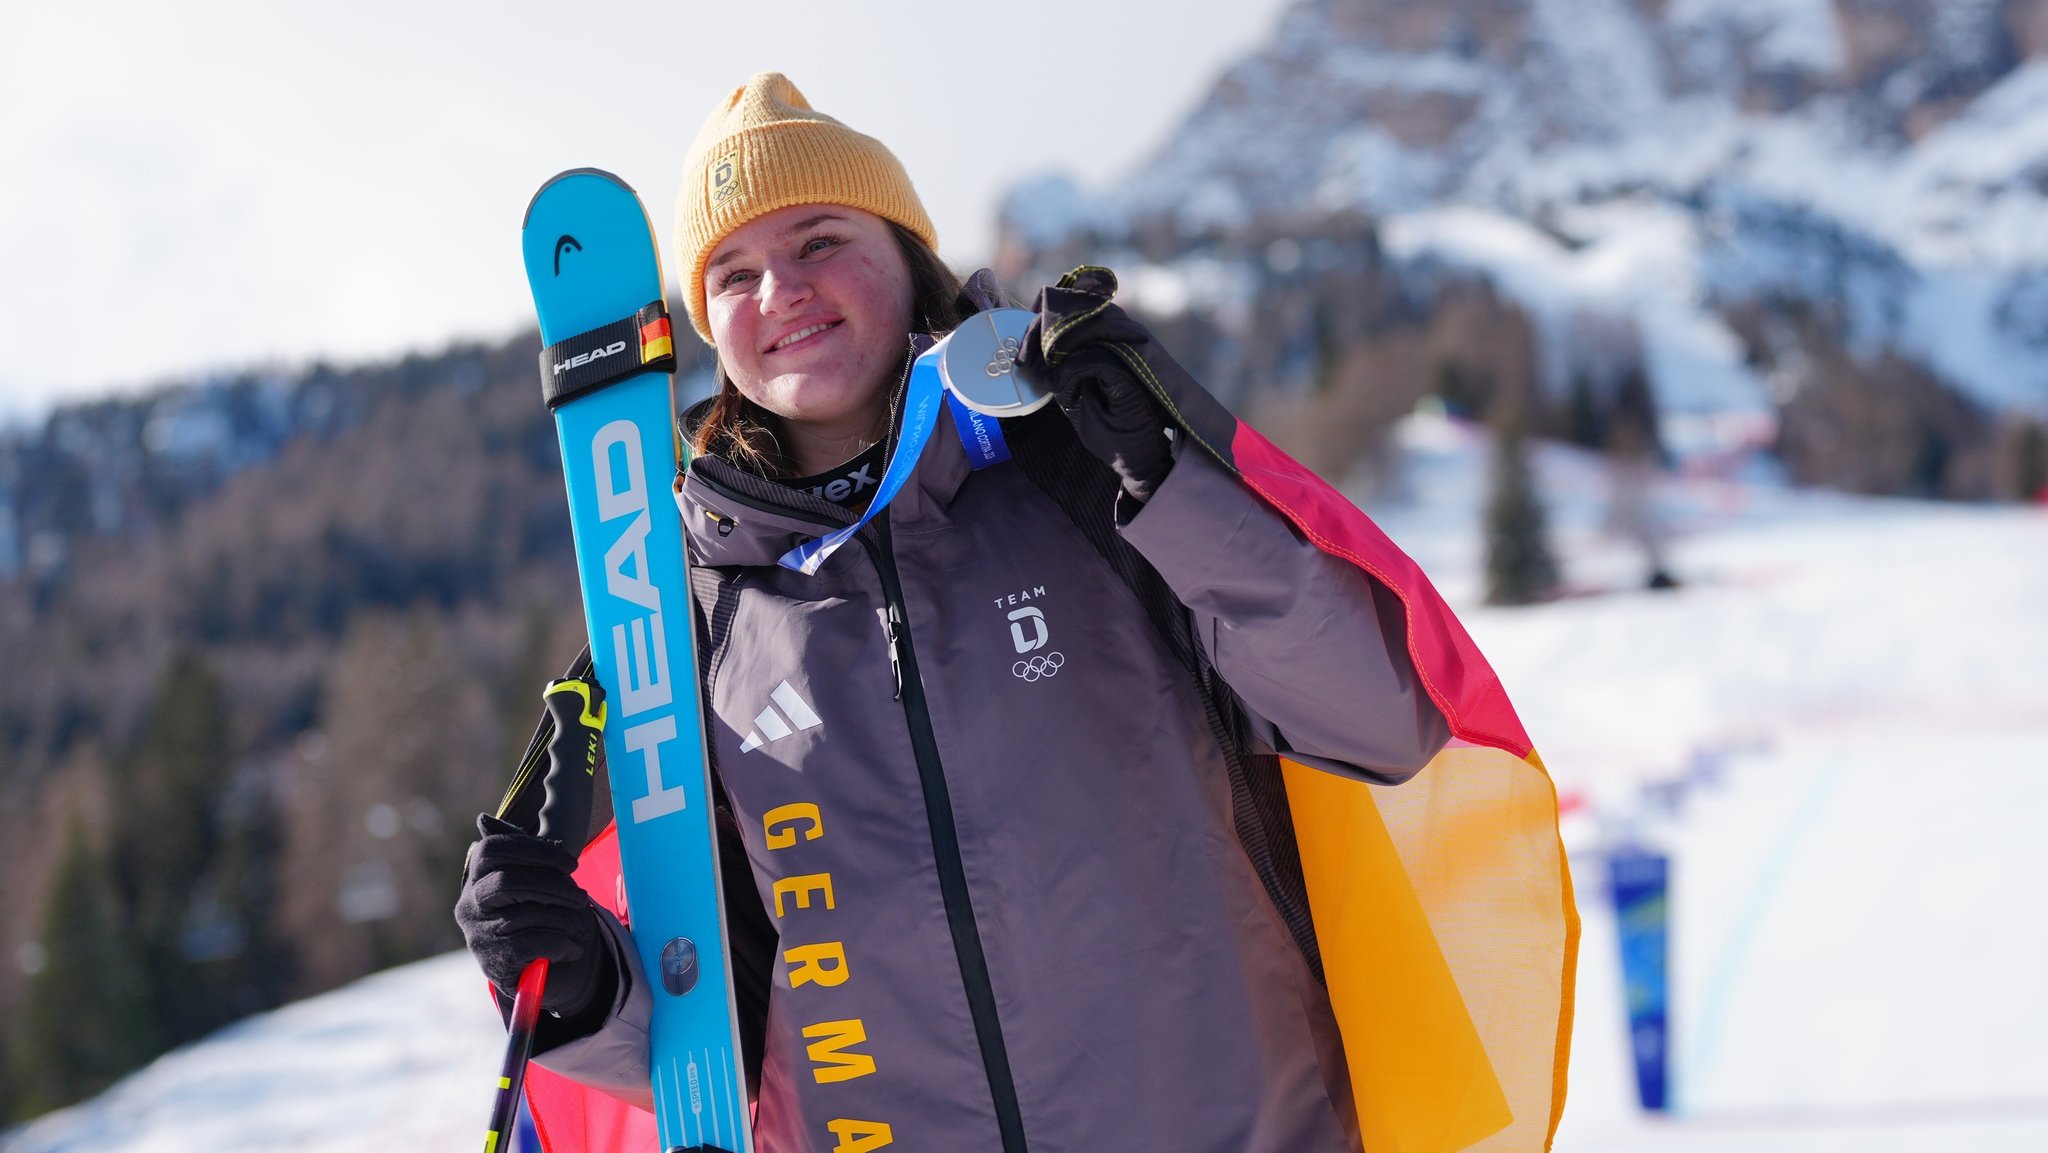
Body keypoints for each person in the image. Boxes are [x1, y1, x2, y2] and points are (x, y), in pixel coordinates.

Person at [458, 73, 1573, 1153]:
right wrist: (583, 989)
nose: (778, 293)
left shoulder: (1082, 478)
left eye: (818, 243)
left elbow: (1377, 715)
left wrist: (1174, 484)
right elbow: (722, 1038)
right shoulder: (698, 624)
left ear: (909, 259)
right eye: (732, 275)